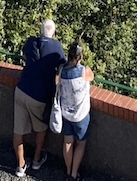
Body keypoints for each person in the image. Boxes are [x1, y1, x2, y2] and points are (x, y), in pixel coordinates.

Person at [12, 19, 65, 177]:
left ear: (40, 31)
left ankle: (20, 165)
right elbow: (62, 67)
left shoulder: (30, 42)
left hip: (22, 90)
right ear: (53, 33)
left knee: (18, 130)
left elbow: (25, 56)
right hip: (40, 95)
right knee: (41, 128)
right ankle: (36, 160)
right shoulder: (56, 47)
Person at [52, 43, 94, 179]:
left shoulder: (61, 70)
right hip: (81, 115)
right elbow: (91, 78)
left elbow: (57, 82)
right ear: (80, 58)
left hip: (65, 113)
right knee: (80, 144)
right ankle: (74, 173)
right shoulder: (84, 71)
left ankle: (68, 169)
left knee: (67, 142)